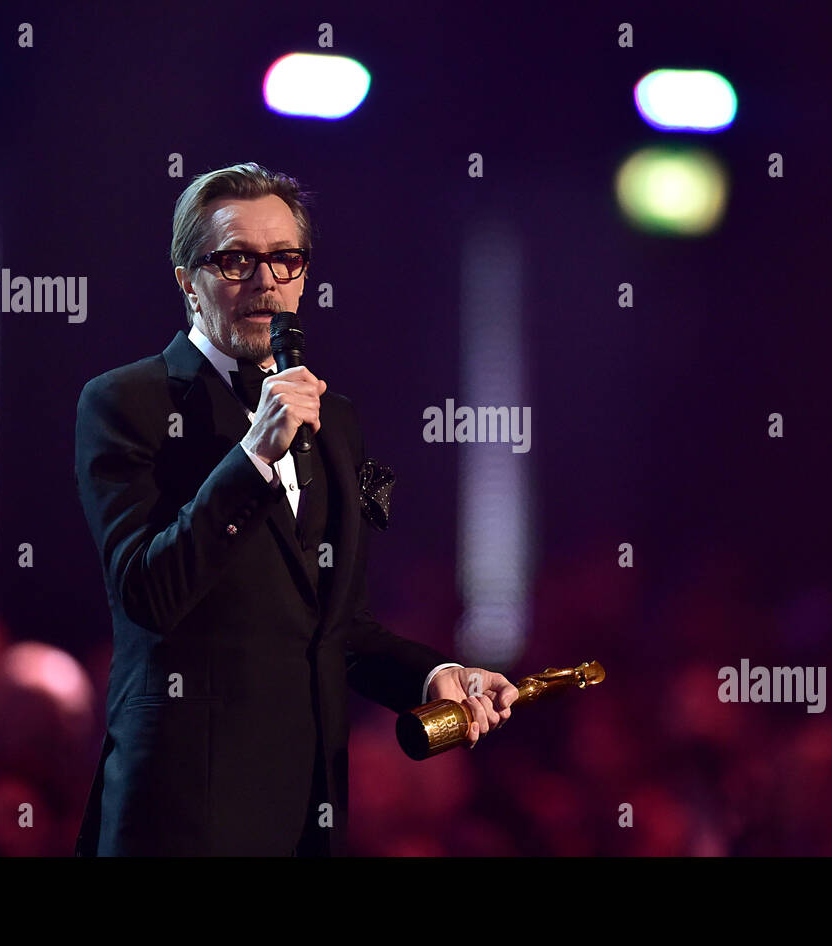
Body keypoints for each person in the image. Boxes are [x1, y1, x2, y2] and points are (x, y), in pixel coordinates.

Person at [73, 162, 517, 856]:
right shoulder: (127, 402)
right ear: (188, 281)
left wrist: (435, 677)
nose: (265, 280)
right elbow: (148, 594)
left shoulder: (334, 420)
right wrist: (252, 456)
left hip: (309, 812)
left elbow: (338, 628)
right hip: (180, 816)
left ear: (305, 276)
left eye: (285, 258)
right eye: (236, 259)